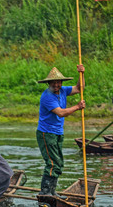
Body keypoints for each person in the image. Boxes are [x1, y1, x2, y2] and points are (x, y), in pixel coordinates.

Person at [36, 65, 85, 196]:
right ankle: (45, 192)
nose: (56, 85)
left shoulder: (63, 91)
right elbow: (61, 113)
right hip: (46, 133)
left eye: (58, 82)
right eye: (53, 82)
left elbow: (79, 89)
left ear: (61, 83)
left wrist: (81, 74)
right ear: (49, 83)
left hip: (58, 132)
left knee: (59, 163)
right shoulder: (47, 96)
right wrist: (77, 107)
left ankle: (52, 191)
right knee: (52, 163)